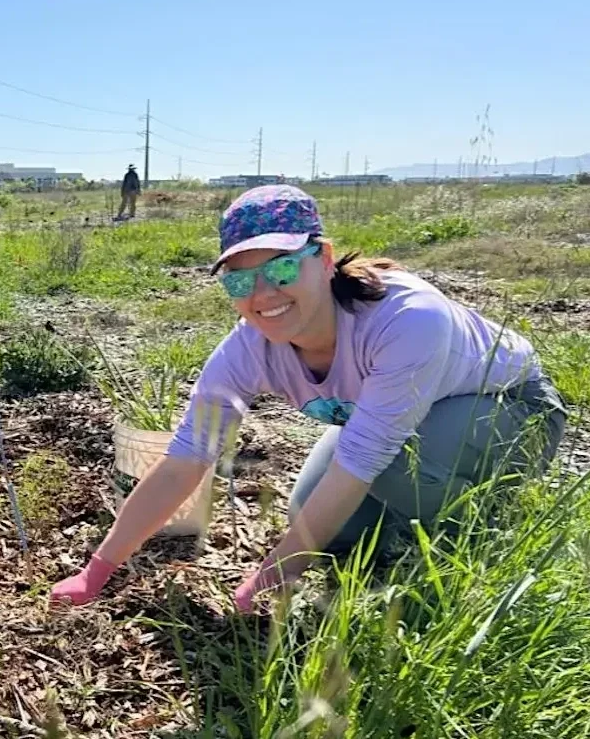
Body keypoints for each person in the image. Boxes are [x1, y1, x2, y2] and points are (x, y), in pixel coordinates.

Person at [52, 184, 566, 611]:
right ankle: (418, 514)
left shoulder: (408, 320)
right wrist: (98, 571)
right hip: (408, 423)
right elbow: (186, 459)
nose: (263, 295)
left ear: (321, 258)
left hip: (512, 409)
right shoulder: (246, 349)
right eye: (240, 280)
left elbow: (361, 458)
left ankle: (486, 528)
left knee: (385, 470)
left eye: (279, 269)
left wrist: (271, 576)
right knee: (322, 524)